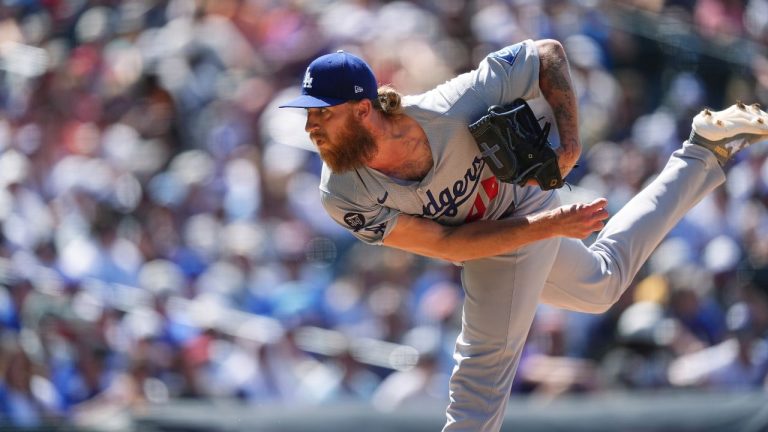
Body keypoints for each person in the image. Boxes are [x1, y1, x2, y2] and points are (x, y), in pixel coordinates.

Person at [278, 40, 768, 431]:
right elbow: (447, 247)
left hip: (524, 202)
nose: (311, 125)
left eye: (323, 112)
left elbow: (546, 54)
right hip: (494, 233)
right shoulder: (340, 193)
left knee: (478, 381)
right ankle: (703, 152)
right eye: (309, 113)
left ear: (364, 110)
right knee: (600, 284)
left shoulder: (450, 107)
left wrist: (570, 147)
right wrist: (551, 226)